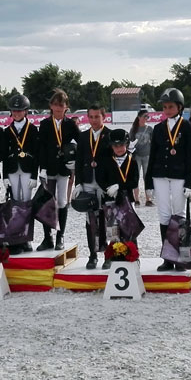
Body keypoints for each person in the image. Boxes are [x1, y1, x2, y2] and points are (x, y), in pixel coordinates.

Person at [145, 88, 191, 271]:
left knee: (180, 214)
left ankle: (182, 257)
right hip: (160, 175)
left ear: (179, 107)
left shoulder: (188, 128)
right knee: (164, 215)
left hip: (179, 176)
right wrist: (148, 182)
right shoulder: (159, 128)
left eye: (171, 106)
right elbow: (152, 156)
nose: (167, 110)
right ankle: (168, 257)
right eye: (165, 107)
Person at [36, 88, 80, 251]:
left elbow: (80, 142)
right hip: (49, 168)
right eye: (55, 105)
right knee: (47, 203)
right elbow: (42, 147)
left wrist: (74, 160)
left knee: (61, 202)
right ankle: (47, 237)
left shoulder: (70, 124)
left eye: (61, 106)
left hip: (63, 169)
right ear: (51, 106)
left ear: (66, 107)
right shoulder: (45, 124)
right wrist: (42, 168)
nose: (58, 109)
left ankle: (60, 236)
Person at [72, 105, 112, 268]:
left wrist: (110, 184)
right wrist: (79, 183)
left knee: (107, 220)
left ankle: (108, 255)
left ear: (104, 117)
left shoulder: (110, 135)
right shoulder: (83, 137)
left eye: (97, 117)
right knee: (90, 221)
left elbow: (112, 162)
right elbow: (79, 161)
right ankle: (92, 254)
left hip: (104, 185)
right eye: (91, 117)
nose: (94, 120)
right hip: (88, 183)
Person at [95, 128, 139, 269]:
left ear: (126, 144)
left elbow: (135, 182)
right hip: (110, 198)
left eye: (121, 145)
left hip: (127, 198)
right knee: (112, 229)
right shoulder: (106, 160)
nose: (119, 148)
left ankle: (132, 254)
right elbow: (100, 178)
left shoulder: (132, 161)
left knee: (129, 228)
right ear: (111, 146)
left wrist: (120, 186)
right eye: (115, 146)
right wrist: (108, 188)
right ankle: (111, 255)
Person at [2, 93, 39, 254]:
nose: (17, 113)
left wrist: (34, 176)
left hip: (26, 171)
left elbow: (37, 154)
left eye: (20, 110)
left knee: (26, 205)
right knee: (15, 204)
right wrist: (4, 176)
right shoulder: (7, 130)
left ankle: (27, 238)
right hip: (12, 170)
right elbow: (4, 155)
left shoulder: (32, 129)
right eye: (14, 110)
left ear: (26, 111)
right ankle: (16, 238)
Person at [129, 108, 153, 206]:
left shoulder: (150, 129)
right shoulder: (134, 129)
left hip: (147, 155)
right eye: (144, 116)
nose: (146, 118)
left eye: (147, 117)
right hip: (137, 156)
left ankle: (148, 198)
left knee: (147, 177)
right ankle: (136, 198)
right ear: (139, 117)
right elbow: (129, 143)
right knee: (136, 176)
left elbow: (153, 142)